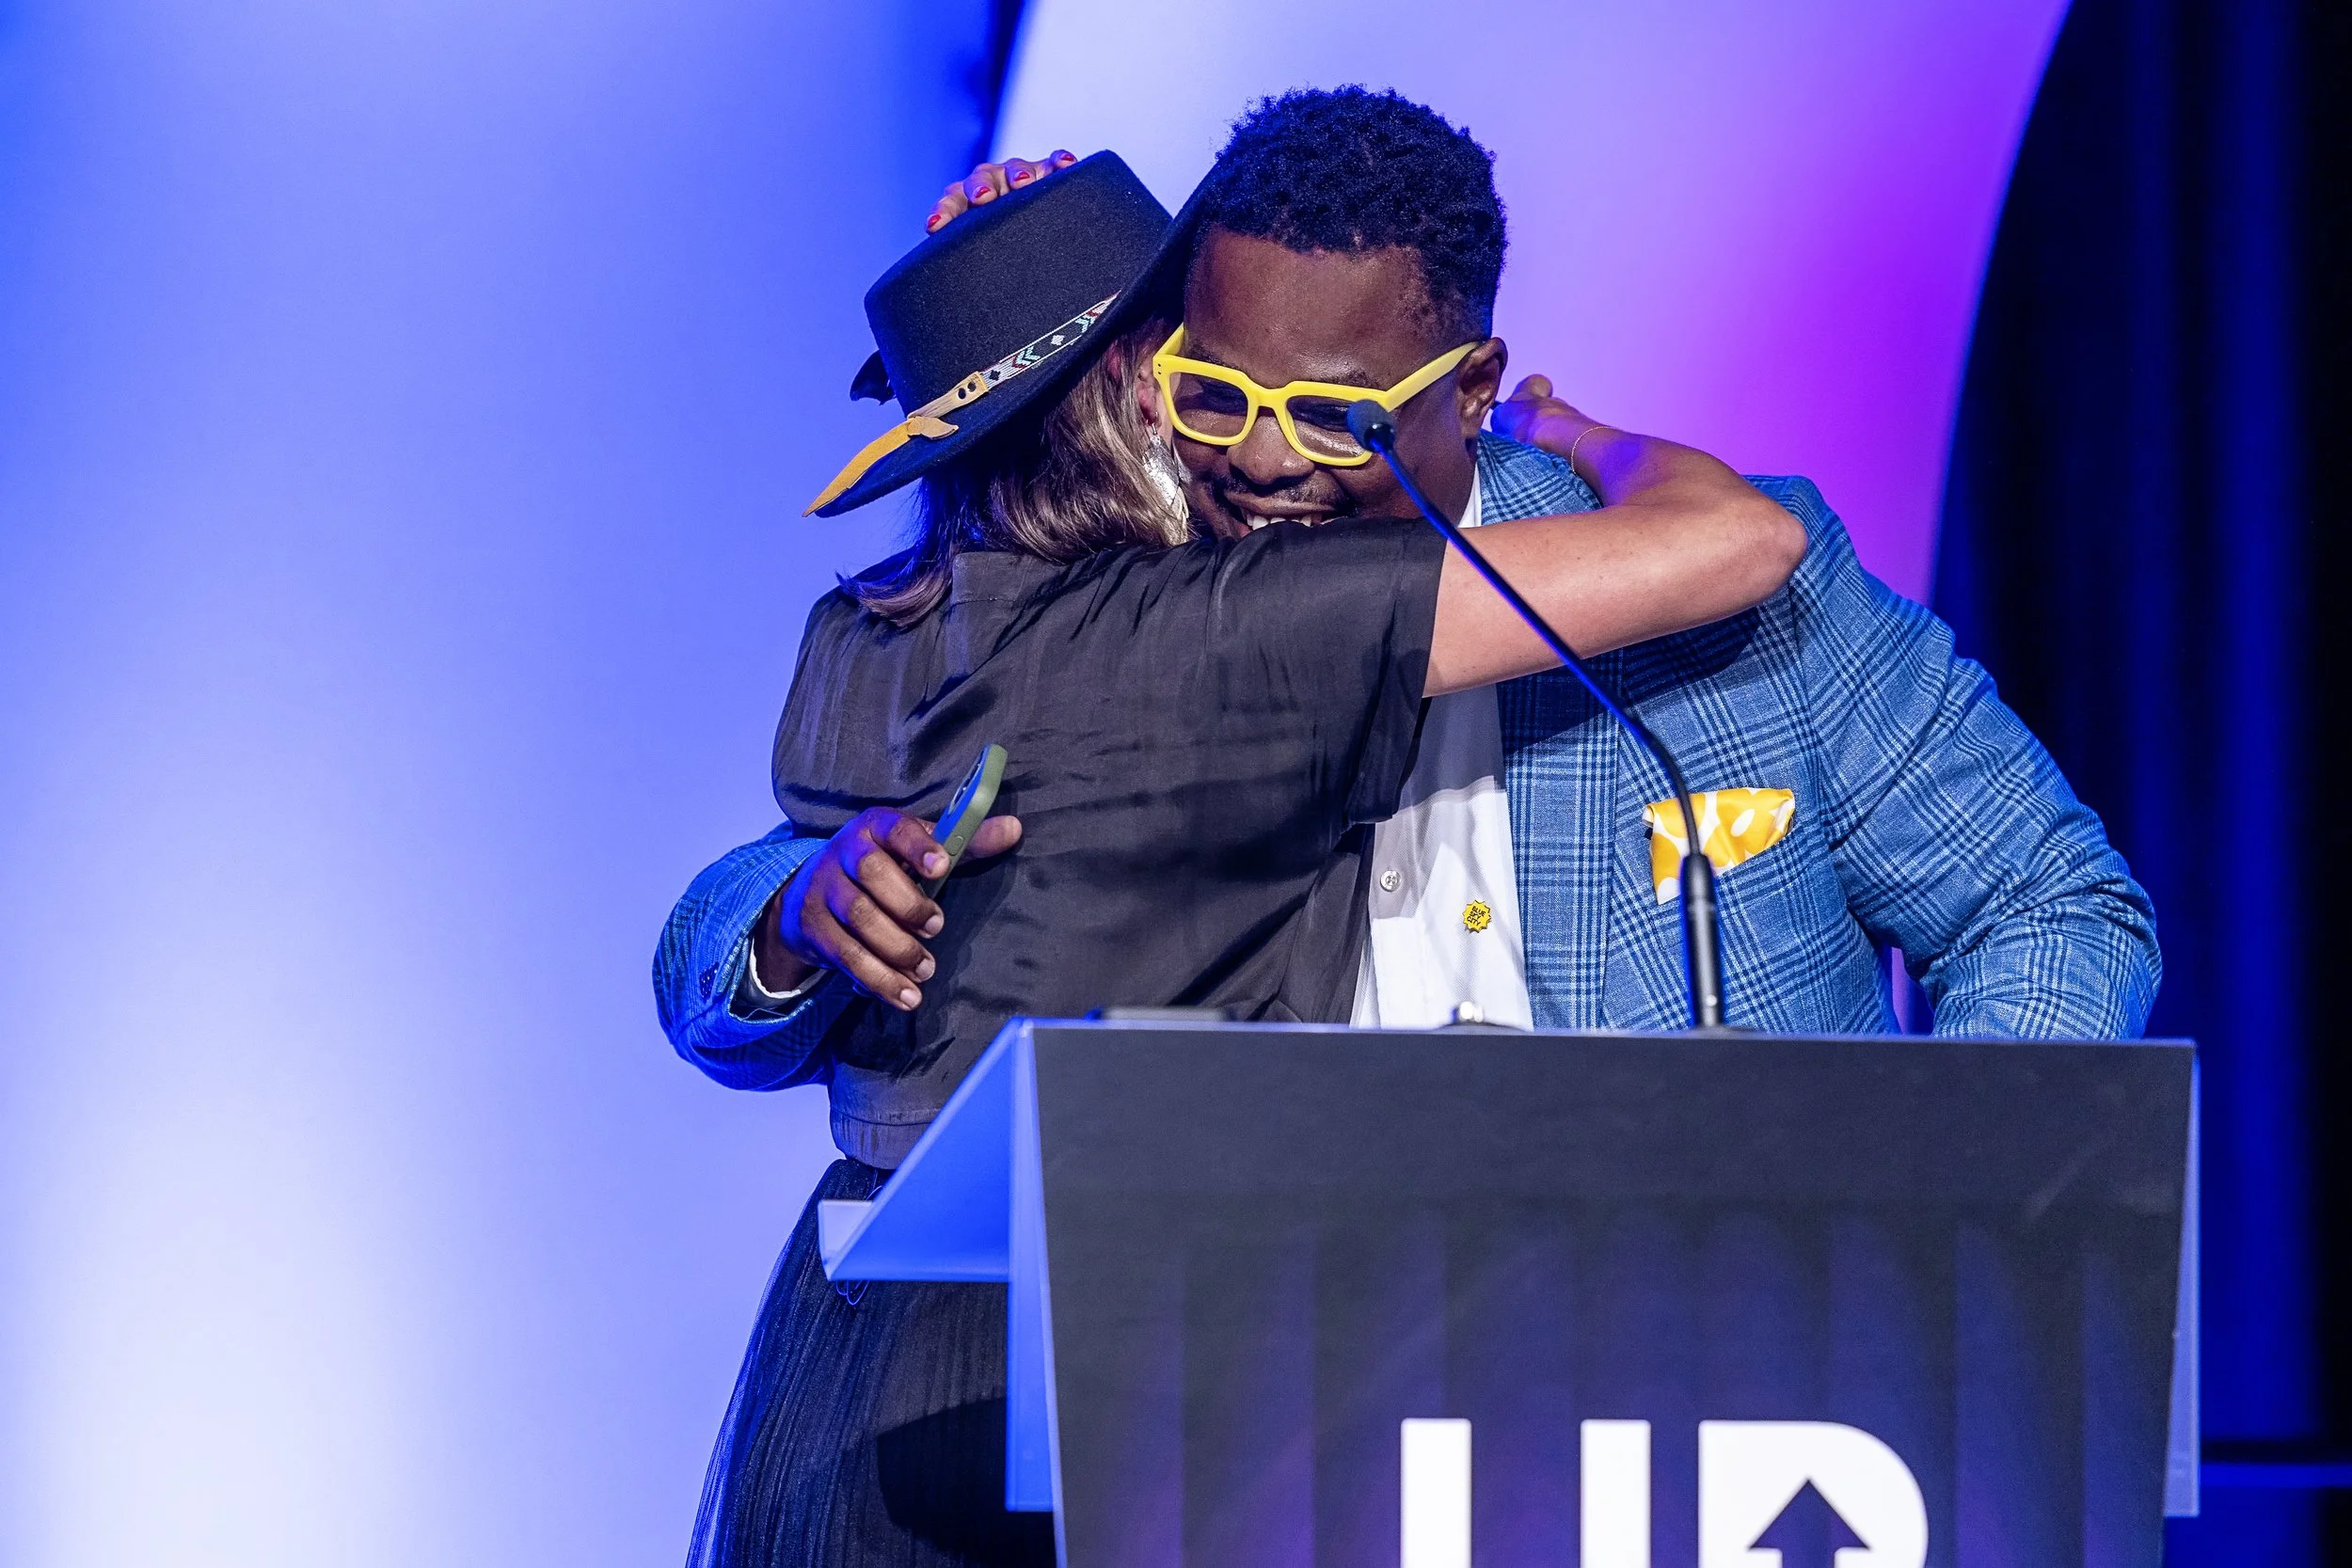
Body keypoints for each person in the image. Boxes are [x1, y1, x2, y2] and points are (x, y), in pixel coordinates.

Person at [667, 150, 1801, 1565]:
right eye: (1203, 369)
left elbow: (756, 904)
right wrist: (1579, 437)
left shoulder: (857, 636)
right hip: (1117, 1336)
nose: (1256, 432)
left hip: (856, 1350)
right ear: (1146, 393)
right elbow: (1736, 541)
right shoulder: (1236, 632)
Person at [679, 88, 2157, 1053]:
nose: (1262, 461)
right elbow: (751, 898)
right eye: (1215, 395)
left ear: (1470, 388)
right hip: (1281, 1407)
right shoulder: (1130, 597)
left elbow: (2046, 900)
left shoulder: (1721, 600)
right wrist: (796, 910)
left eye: (1334, 418)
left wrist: (1914, 1219)